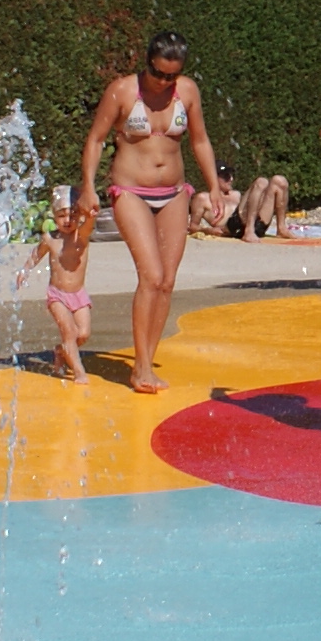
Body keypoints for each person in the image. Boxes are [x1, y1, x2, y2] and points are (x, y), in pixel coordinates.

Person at [75, 29, 228, 394]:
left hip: (174, 192)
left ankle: (147, 358)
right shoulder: (123, 92)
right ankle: (141, 367)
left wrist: (214, 187)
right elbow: (96, 139)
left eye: (171, 75)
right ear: (148, 64)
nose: (164, 81)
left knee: (167, 281)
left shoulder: (187, 92)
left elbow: (200, 140)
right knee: (151, 274)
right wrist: (87, 187)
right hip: (130, 191)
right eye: (158, 73)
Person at [36, 196, 96, 384]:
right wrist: (24, 270)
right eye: (61, 216)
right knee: (69, 332)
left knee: (83, 334)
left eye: (72, 215)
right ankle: (79, 372)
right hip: (57, 295)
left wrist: (91, 214)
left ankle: (61, 351)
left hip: (78, 294)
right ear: (53, 217)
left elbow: (89, 223)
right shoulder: (50, 239)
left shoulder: (82, 236)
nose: (67, 220)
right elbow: (36, 255)